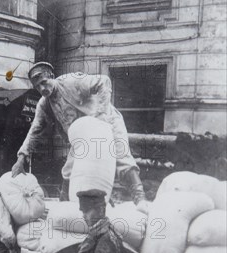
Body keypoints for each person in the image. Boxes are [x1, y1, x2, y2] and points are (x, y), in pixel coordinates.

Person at [11, 62, 148, 210]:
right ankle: (65, 207)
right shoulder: (44, 104)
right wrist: (22, 157)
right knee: (69, 170)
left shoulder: (71, 81)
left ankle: (140, 199)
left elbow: (104, 81)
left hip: (107, 124)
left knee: (122, 158)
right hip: (81, 138)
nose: (42, 89)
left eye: (44, 82)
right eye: (38, 86)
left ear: (51, 76)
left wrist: (100, 117)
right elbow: (35, 130)